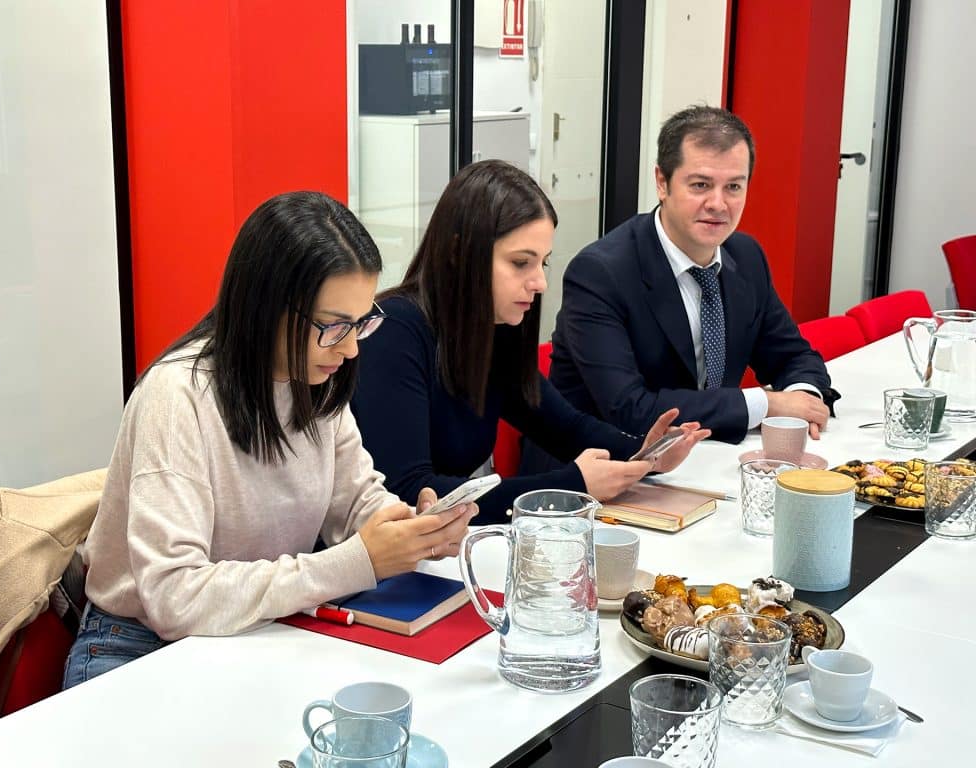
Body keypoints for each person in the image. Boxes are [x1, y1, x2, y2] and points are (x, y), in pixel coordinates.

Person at [63, 192, 475, 688]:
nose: (349, 348)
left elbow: (355, 502)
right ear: (266, 306)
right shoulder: (177, 396)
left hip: (261, 629)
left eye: (360, 323)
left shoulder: (316, 381)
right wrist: (357, 562)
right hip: (137, 644)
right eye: (333, 326)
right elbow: (175, 597)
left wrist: (410, 529)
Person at [351, 160, 709, 525]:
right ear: (459, 253)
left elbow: (565, 427)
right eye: (521, 263)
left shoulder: (494, 329)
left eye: (543, 264)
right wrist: (570, 486)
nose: (540, 283)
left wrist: (644, 453)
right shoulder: (394, 331)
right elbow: (408, 491)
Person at [549, 105, 833, 444]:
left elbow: (793, 356)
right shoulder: (600, 273)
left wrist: (804, 399)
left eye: (734, 187)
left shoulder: (746, 256)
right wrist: (767, 404)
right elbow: (631, 408)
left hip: (708, 454)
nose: (718, 204)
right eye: (700, 185)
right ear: (662, 183)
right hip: (606, 460)